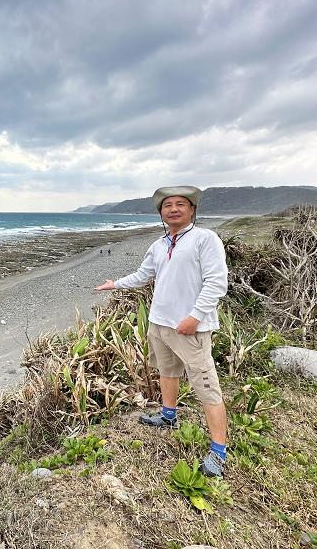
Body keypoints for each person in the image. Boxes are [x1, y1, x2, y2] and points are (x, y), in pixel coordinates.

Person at [94, 185, 229, 477]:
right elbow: (144, 275)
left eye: (181, 204)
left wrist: (194, 317)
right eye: (168, 205)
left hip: (190, 328)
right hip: (160, 322)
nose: (174, 209)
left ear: (192, 210)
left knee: (206, 385)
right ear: (161, 213)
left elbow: (217, 282)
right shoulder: (159, 244)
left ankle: (218, 451)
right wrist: (115, 283)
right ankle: (169, 416)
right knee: (167, 371)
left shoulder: (205, 239)